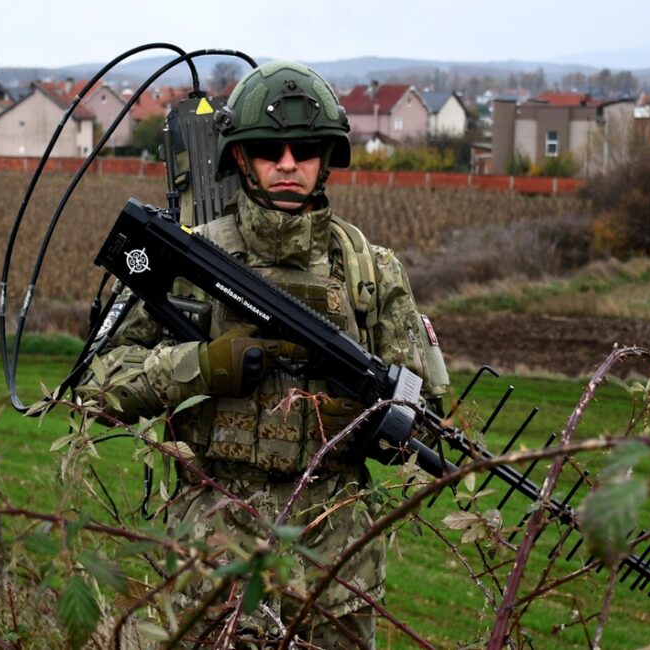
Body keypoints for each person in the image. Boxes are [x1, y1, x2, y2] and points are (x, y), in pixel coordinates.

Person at [94, 61, 449, 648]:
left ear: (326, 157)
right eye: (269, 149)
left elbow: (427, 419)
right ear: (240, 158)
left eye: (305, 149)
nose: (288, 164)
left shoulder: (369, 271)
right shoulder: (187, 260)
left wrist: (367, 427)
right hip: (211, 568)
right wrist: (201, 367)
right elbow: (100, 386)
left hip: (333, 576)